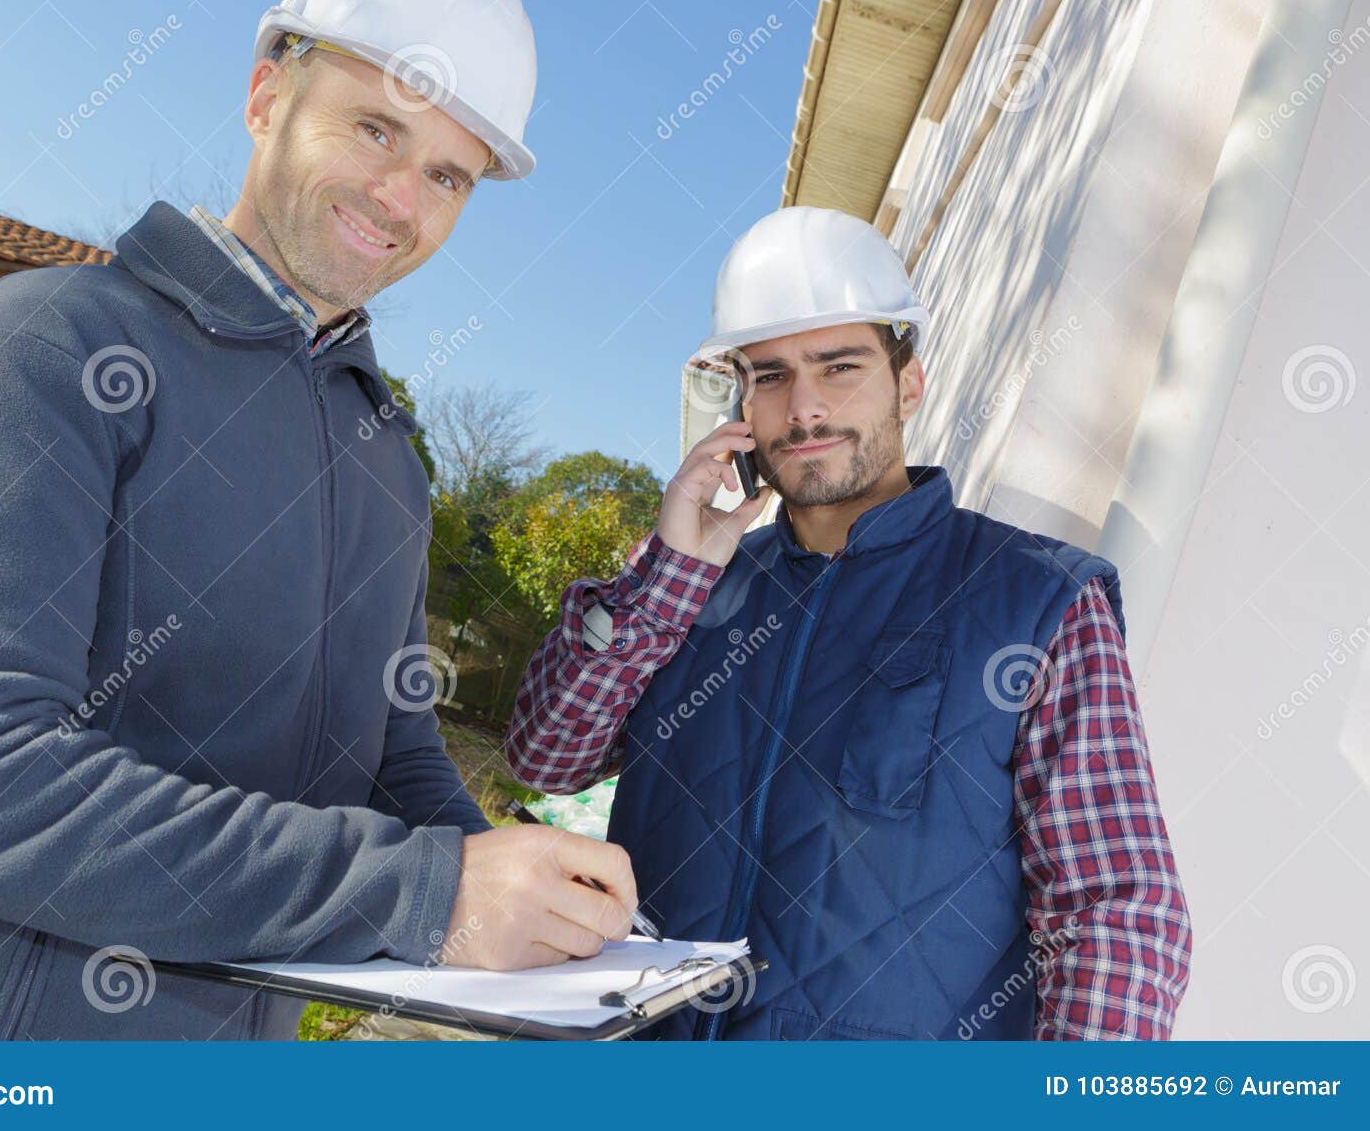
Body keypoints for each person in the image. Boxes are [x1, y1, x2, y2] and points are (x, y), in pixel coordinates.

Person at [0, 0, 636, 1042]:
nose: (400, 200)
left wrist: (528, 892)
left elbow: (396, 756)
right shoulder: (48, 347)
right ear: (267, 95)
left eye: (448, 175)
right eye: (375, 129)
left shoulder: (388, 461)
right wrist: (419, 891)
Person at [507, 206, 1193, 1041]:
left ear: (908, 382)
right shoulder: (690, 591)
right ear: (739, 407)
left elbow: (1114, 907)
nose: (804, 409)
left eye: (839, 367)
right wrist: (664, 578)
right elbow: (546, 755)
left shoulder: (1036, 597)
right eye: (769, 376)